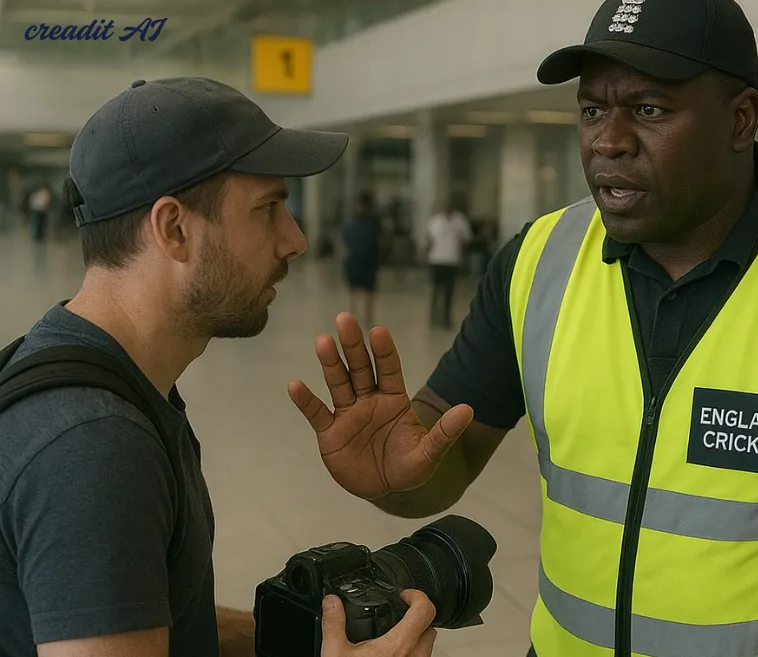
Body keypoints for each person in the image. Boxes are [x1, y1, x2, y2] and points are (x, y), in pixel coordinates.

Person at [288, 0, 758, 656]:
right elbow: (441, 460)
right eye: (591, 109)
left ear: (741, 120)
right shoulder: (540, 261)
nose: (607, 140)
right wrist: (394, 480)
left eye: (649, 109)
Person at [0, 77, 438, 657]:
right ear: (174, 228)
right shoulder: (94, 442)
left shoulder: (88, 372)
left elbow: (144, 613)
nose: (296, 240)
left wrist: (290, 638)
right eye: (269, 210)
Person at [423, 200, 473, 328]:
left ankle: (446, 318)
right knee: (436, 290)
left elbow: (466, 239)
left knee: (449, 291)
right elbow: (429, 240)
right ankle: (433, 318)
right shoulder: (435, 221)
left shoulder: (459, 221)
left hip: (451, 260)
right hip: (436, 260)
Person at [342, 191, 384, 329]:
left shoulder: (373, 223)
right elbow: (346, 242)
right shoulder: (352, 223)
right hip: (355, 261)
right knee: (354, 292)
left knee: (369, 292)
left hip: (369, 261)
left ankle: (368, 319)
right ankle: (352, 319)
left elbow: (379, 240)